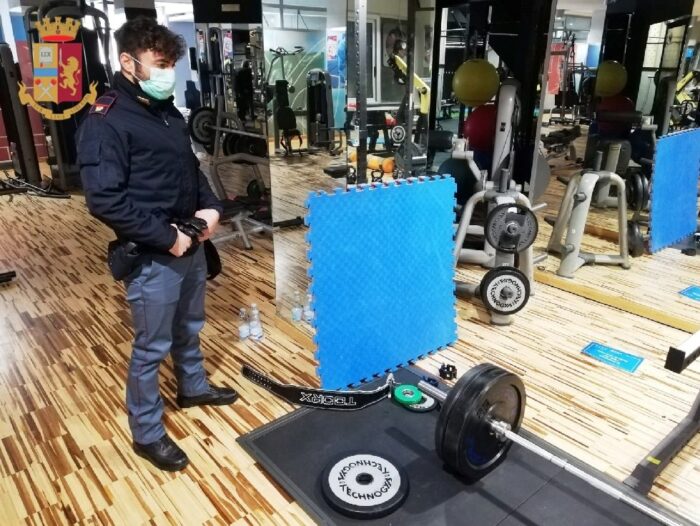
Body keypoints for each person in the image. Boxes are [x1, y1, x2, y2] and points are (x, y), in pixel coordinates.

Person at [76, 17, 237, 472]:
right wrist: (168, 239)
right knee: (151, 347)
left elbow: (190, 169)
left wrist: (211, 209)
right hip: (154, 254)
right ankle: (146, 433)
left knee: (190, 325)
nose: (168, 73)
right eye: (160, 64)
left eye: (171, 64)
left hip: (192, 241)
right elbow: (104, 200)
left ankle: (193, 388)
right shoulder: (105, 121)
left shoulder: (166, 112)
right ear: (128, 63)